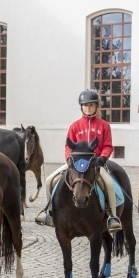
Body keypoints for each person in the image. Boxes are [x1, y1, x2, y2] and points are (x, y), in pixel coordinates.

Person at [35, 89, 122, 232]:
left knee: (109, 184)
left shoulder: (104, 126)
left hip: (94, 164)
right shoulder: (74, 126)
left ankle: (112, 216)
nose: (88, 108)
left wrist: (102, 158)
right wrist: (69, 159)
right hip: (75, 164)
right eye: (86, 105)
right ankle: (49, 213)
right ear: (81, 107)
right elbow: (68, 147)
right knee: (50, 180)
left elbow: (107, 145)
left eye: (91, 105)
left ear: (96, 106)